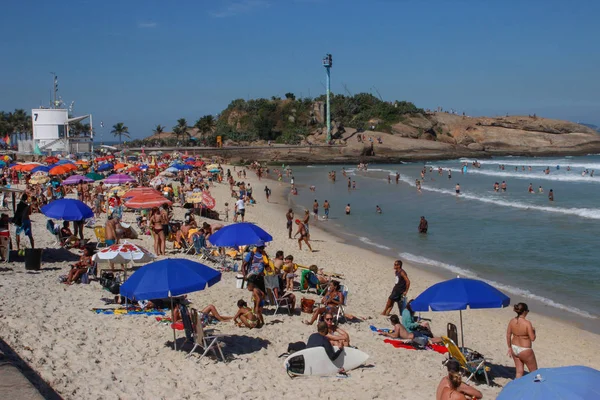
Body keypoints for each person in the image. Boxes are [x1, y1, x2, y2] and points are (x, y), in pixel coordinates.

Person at [507, 302, 538, 378]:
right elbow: (532, 338)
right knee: (534, 373)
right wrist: (534, 331)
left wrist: (509, 347)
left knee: (519, 372)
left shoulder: (512, 321)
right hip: (525, 349)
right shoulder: (527, 323)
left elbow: (508, 335)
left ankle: (517, 388)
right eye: (527, 310)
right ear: (524, 311)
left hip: (514, 347)